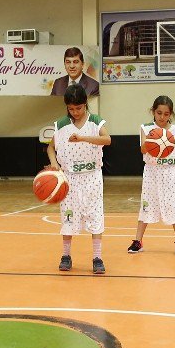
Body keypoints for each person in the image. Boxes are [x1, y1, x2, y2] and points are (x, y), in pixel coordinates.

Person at [46, 83, 112, 273]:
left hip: (92, 177)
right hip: (69, 178)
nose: (75, 112)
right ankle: (66, 255)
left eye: (79, 107)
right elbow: (51, 147)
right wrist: (54, 163)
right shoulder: (61, 125)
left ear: (86, 104)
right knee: (68, 217)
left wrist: (83, 138)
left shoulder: (95, 122)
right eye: (71, 108)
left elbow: (107, 140)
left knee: (95, 215)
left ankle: (97, 257)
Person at [127, 96, 175, 255]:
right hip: (151, 172)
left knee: (174, 205)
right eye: (159, 113)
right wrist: (153, 140)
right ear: (153, 111)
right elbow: (142, 150)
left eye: (166, 114)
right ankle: (138, 241)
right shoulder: (146, 128)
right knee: (146, 205)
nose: (162, 117)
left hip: (170, 172)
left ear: (171, 114)